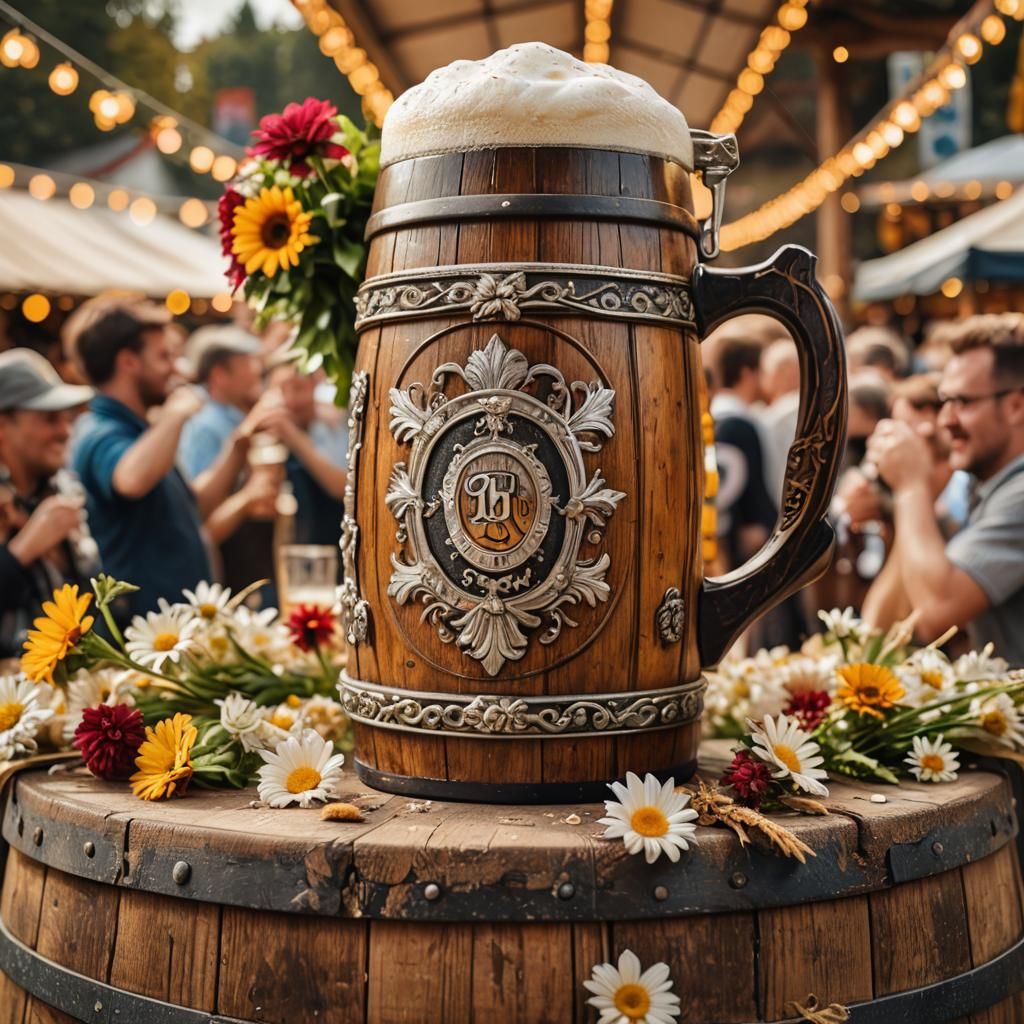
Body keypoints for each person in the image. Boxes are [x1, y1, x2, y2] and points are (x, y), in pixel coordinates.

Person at [65, 299, 256, 618]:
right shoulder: (98, 430)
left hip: (173, 634)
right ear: (128, 361)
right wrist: (176, 413)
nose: (178, 368)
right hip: (141, 640)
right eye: (164, 356)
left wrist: (237, 449)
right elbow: (130, 480)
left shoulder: (144, 433)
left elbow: (195, 508)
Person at [867, 313, 1024, 664]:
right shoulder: (984, 486)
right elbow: (881, 627)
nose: (945, 420)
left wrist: (911, 486)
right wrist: (918, 494)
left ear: (1016, 405)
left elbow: (936, 612)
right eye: (945, 400)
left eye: (964, 402)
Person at [0, 349, 97, 657]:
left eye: (67, 419)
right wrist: (24, 549)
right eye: (49, 419)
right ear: (3, 426)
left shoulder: (63, 487)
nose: (65, 431)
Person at [178, 325, 287, 598]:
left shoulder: (232, 415)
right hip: (224, 575)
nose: (256, 371)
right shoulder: (206, 424)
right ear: (219, 374)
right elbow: (199, 511)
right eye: (247, 363)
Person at [267, 353, 347, 546]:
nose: (290, 400)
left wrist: (291, 435)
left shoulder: (330, 425)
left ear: (314, 386)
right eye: (280, 391)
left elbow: (341, 486)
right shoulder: (265, 438)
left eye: (297, 388)